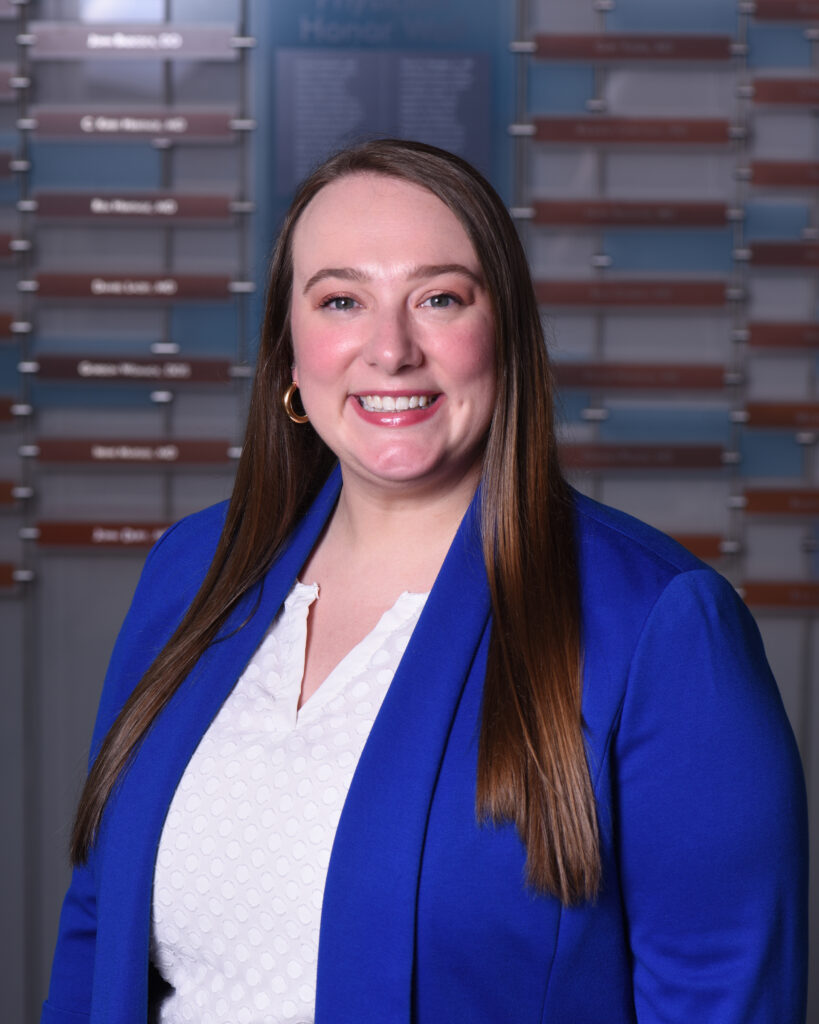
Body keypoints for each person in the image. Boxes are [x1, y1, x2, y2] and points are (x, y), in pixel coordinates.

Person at [42, 139, 807, 1024]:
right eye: (341, 301)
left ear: (505, 333)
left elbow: (723, 995)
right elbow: (98, 927)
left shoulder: (660, 628)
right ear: (290, 353)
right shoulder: (191, 570)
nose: (390, 349)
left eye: (439, 298)